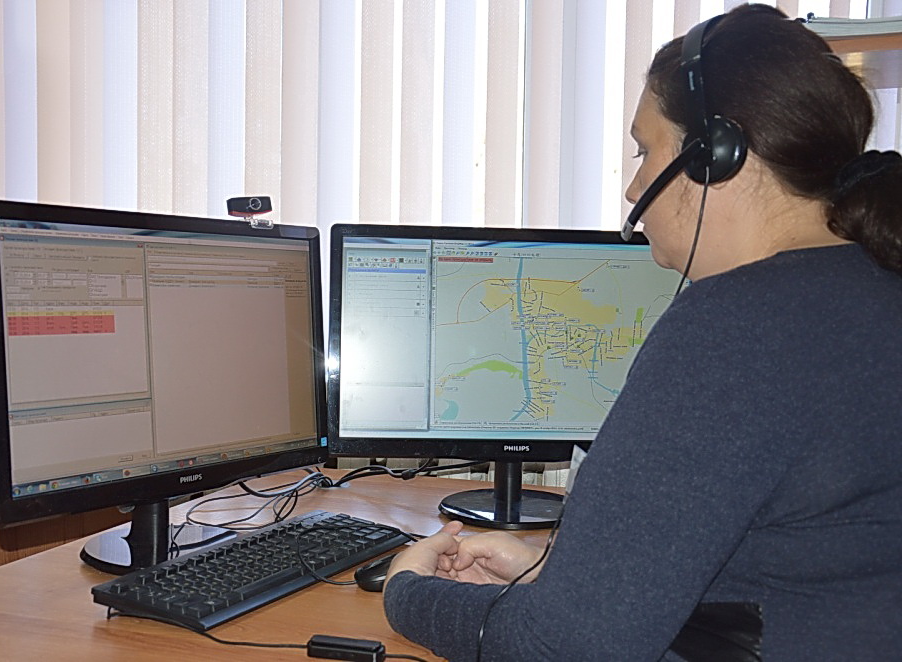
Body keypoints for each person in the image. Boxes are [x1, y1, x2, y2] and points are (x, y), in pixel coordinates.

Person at [381, 5, 902, 660]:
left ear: (715, 155)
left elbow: (563, 649)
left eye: (644, 150)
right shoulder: (873, 287)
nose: (633, 187)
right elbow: (800, 564)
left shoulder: (736, 327)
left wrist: (407, 592)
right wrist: (556, 575)